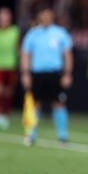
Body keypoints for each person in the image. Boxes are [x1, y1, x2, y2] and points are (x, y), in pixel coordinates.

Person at [20, 8, 73, 146]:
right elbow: (26, 54)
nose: (46, 18)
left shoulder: (60, 33)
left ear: (52, 17)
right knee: (34, 103)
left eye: (48, 16)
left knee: (59, 103)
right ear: (39, 17)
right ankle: (30, 134)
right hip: (37, 73)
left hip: (55, 73)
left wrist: (67, 74)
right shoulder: (32, 34)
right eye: (43, 16)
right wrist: (25, 73)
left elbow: (67, 54)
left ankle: (62, 136)